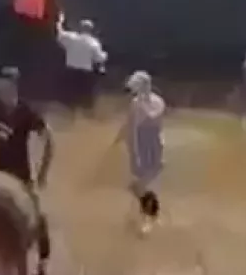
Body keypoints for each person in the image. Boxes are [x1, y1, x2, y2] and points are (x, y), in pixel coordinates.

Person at [0, 69, 55, 275]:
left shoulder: (25, 111)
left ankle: (42, 265)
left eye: (1, 84)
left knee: (37, 217)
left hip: (21, 176)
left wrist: (43, 171)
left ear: (12, 85)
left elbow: (48, 138)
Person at [113, 71, 165, 234]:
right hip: (137, 144)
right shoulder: (135, 103)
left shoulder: (157, 102)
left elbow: (152, 118)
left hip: (152, 143)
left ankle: (148, 217)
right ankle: (150, 213)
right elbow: (129, 123)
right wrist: (118, 139)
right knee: (140, 184)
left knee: (145, 183)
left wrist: (141, 102)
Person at [53, 17, 106, 110]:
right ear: (91, 30)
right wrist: (105, 55)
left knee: (70, 98)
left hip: (70, 73)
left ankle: (70, 118)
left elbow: (59, 34)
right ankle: (87, 119)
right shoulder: (93, 42)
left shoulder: (70, 38)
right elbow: (99, 59)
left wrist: (60, 21)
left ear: (80, 28)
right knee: (87, 100)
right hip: (85, 75)